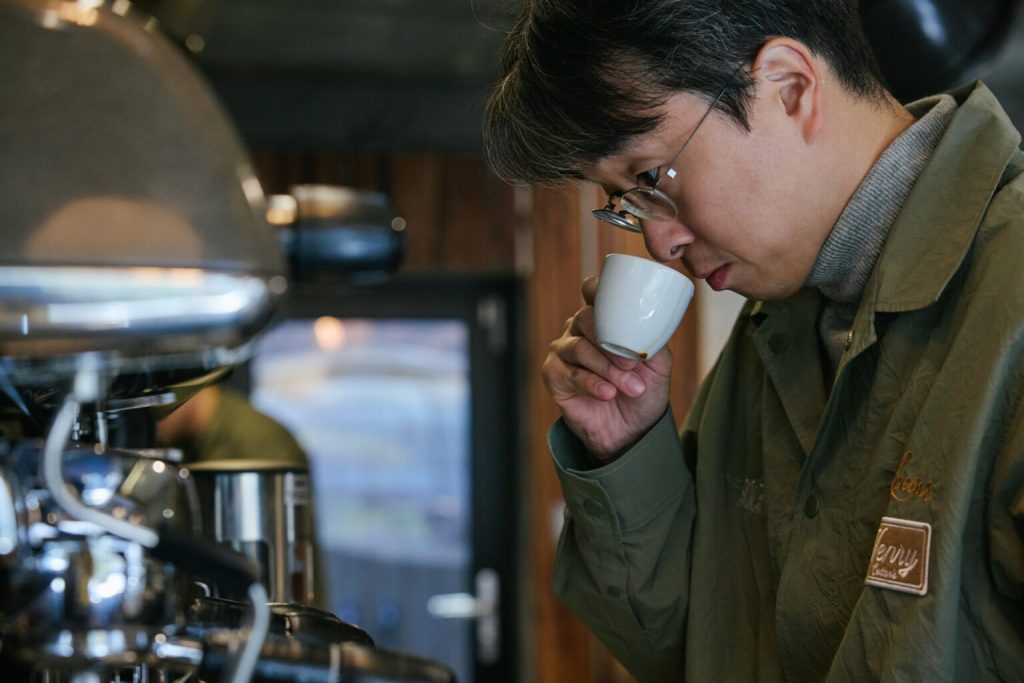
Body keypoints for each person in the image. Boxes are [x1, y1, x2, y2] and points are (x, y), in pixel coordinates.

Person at [484, 1, 1024, 681]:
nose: (659, 239)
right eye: (625, 203)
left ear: (789, 86)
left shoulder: (1009, 294)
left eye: (651, 179)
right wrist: (624, 450)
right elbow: (703, 646)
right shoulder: (777, 330)